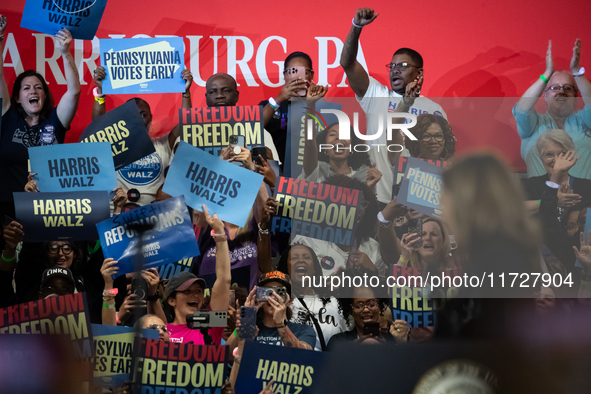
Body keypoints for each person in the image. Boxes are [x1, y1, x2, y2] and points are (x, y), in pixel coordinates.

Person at [340, 7, 447, 205]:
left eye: (403, 66)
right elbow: (347, 63)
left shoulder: (435, 110)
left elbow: (442, 157)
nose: (395, 71)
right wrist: (356, 28)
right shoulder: (376, 94)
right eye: (392, 66)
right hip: (378, 194)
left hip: (417, 199)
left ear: (419, 73)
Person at [0, 16, 80, 224]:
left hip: (46, 211)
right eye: (26, 88)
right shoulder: (7, 116)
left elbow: (73, 92)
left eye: (38, 87)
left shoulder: (55, 121)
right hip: (6, 208)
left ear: (44, 95)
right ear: (18, 97)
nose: (33, 91)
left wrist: (65, 52)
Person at [92, 66, 193, 207]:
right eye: (131, 114)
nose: (138, 119)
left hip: (155, 216)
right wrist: (101, 94)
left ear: (150, 119)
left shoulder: (162, 144)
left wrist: (186, 92)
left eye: (143, 115)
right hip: (119, 215)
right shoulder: (113, 146)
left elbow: (186, 123)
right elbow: (98, 128)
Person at [513, 39, 591, 179]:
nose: (561, 91)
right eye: (555, 88)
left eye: (568, 88)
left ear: (575, 96)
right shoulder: (533, 123)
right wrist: (547, 73)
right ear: (545, 94)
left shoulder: (585, 121)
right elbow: (522, 109)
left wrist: (576, 71)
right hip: (540, 198)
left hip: (584, 199)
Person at [291, 175, 387, 275]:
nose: (359, 209)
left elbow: (382, 289)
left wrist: (373, 273)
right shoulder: (307, 241)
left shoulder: (373, 248)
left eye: (362, 203)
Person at [164, 206, 231, 344]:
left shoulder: (211, 325)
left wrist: (219, 233)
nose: (194, 295)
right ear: (172, 300)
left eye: (198, 291)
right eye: (187, 291)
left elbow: (224, 280)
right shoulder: (162, 330)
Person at [276, 245, 348, 351]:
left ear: (314, 268)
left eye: (306, 257)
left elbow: (347, 340)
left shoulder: (334, 303)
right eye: (294, 258)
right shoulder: (279, 303)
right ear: (286, 267)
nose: (301, 261)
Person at [204, 72, 279, 161]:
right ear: (206, 98)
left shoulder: (260, 133)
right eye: (212, 92)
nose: (219, 96)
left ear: (236, 96)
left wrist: (270, 163)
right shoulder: (194, 132)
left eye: (226, 91)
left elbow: (277, 174)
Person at [260, 51, 317, 165]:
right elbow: (252, 129)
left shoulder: (318, 104)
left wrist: (313, 102)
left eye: (303, 72)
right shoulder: (269, 105)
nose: (297, 77)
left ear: (311, 75)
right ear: (285, 75)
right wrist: (278, 99)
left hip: (310, 174)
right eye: (292, 71)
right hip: (276, 174)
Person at [522, 129, 591, 214]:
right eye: (549, 154)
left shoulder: (587, 187)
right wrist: (553, 201)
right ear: (542, 159)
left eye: (562, 154)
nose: (556, 160)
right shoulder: (531, 185)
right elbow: (517, 209)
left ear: (572, 156)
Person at [242, 271, 316, 349]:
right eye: (268, 292)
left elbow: (303, 355)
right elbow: (229, 355)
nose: (274, 297)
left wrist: (281, 323)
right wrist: (244, 323)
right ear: (259, 298)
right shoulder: (252, 328)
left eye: (280, 292)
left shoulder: (304, 330)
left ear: (290, 300)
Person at [327, 283, 397, 349]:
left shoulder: (391, 341)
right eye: (358, 306)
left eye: (371, 304)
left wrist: (389, 352)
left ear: (379, 307)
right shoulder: (338, 343)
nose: (366, 310)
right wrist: (350, 351)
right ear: (350, 310)